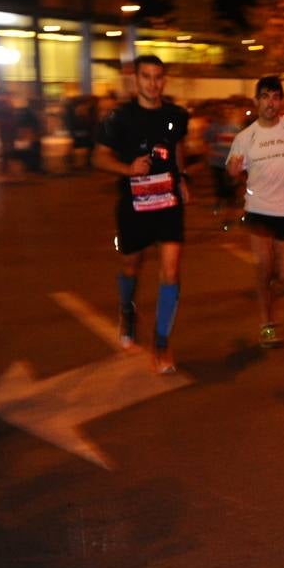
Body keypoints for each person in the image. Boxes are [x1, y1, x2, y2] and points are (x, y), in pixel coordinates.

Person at [93, 56, 189, 375]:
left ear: (164, 79)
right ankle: (127, 309)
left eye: (158, 77)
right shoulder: (120, 117)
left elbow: (176, 149)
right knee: (130, 265)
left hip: (168, 203)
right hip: (134, 206)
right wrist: (127, 169)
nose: (153, 83)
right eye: (146, 77)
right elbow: (98, 157)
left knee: (171, 271)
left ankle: (161, 342)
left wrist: (183, 177)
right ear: (136, 80)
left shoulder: (176, 115)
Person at [226, 77, 284, 347]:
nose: (270, 103)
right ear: (256, 101)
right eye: (265, 96)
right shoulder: (245, 137)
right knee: (264, 267)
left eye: (276, 97)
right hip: (258, 209)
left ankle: (269, 288)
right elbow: (231, 171)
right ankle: (266, 323)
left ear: (281, 101)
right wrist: (234, 170)